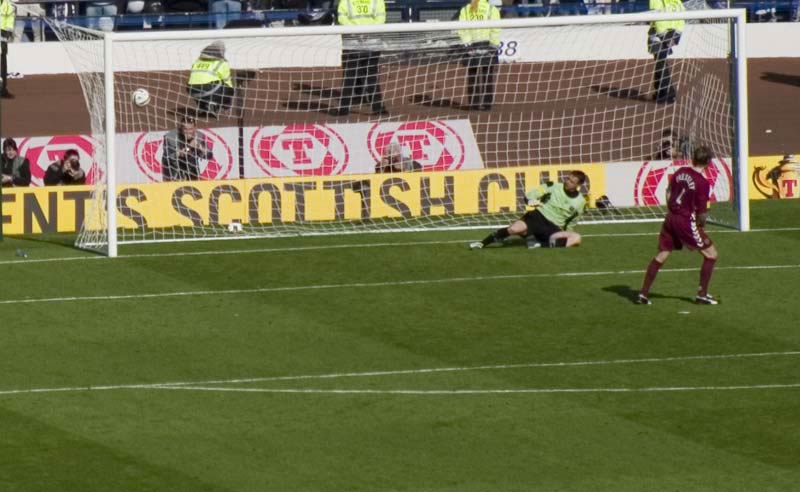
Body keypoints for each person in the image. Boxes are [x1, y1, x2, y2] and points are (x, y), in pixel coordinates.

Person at [635, 145, 719, 305]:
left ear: (693, 158)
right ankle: (702, 295)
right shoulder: (702, 182)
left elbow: (668, 191)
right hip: (685, 220)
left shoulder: (681, 172)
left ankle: (643, 294)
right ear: (709, 162)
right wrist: (700, 226)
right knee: (711, 254)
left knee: (662, 254)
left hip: (670, 217)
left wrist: (672, 210)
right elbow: (702, 213)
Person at [470, 170, 588, 250]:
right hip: (537, 217)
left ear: (578, 185)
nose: (567, 182)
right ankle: (482, 243)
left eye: (572, 181)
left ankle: (539, 243)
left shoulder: (580, 202)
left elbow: (572, 221)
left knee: (576, 238)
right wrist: (534, 201)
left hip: (554, 227)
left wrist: (564, 232)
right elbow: (530, 195)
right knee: (513, 229)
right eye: (568, 179)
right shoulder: (553, 186)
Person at [329, 0, 387, 117]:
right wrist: (366, 32)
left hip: (352, 43)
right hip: (372, 42)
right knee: (371, 77)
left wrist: (357, 32)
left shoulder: (345, 1)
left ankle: (344, 109)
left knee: (349, 78)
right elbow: (380, 19)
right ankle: (378, 108)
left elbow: (342, 19)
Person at [458, 0, 500, 111]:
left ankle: (474, 104)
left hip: (472, 44)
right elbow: (496, 29)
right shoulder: (491, 9)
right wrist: (493, 45)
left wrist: (468, 44)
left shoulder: (466, 9)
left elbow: (462, 29)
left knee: (472, 75)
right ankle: (487, 104)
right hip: (488, 43)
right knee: (488, 75)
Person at [645, 0, 684, 104]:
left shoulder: (677, 2)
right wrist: (665, 37)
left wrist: (676, 37)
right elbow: (657, 19)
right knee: (661, 61)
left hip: (670, 35)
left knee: (661, 62)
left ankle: (662, 93)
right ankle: (666, 93)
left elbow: (681, 19)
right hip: (658, 35)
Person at [187, 41, 235, 118]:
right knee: (228, 89)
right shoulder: (222, 63)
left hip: (191, 90)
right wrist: (227, 104)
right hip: (209, 89)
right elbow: (227, 83)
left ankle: (202, 106)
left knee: (203, 85)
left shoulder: (197, 61)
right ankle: (212, 104)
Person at [161, 115, 212, 181]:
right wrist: (188, 147)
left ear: (194, 128)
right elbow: (168, 158)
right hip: (174, 172)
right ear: (181, 128)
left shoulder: (198, 136)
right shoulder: (171, 137)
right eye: (185, 129)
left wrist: (200, 147)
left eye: (190, 129)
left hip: (192, 172)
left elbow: (209, 155)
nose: (188, 132)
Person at [1, 0, 14, 98]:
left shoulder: (7, 4)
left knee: (3, 63)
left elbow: (10, 19)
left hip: (2, 36)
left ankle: (2, 89)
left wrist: (8, 31)